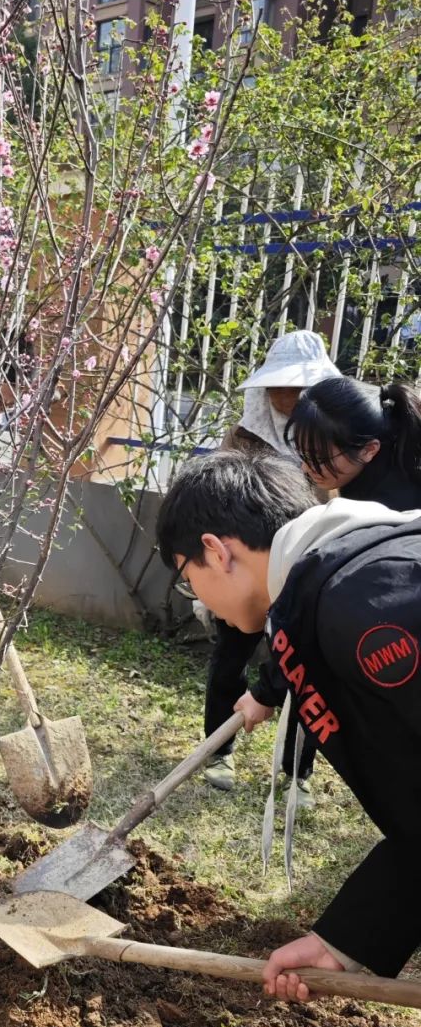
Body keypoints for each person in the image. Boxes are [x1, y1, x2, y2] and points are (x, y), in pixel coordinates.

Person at [157, 449, 421, 1027]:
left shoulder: (367, 602)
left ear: (215, 551)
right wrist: (344, 940)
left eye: (188, 581)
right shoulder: (339, 580)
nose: (198, 601)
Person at [201, 330, 338, 795]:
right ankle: (217, 753)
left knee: (305, 673)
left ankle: (297, 770)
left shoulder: (331, 439)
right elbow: (216, 502)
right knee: (230, 660)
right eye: (280, 386)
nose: (288, 396)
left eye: (298, 388)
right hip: (245, 574)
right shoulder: (241, 438)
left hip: (305, 572)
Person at [287, 375, 421, 510]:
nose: (305, 468)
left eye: (319, 458)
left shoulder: (389, 511)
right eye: (302, 454)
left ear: (369, 450)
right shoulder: (366, 474)